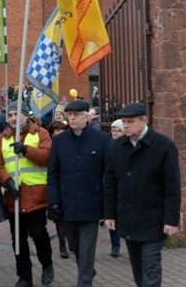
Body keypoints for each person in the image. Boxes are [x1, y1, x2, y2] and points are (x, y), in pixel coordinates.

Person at [103, 102, 181, 287]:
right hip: (129, 219)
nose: (126, 125)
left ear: (144, 120)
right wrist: (109, 214)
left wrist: (171, 219)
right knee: (138, 270)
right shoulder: (117, 146)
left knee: (151, 267)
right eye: (124, 121)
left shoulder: (163, 145)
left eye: (130, 121)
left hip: (153, 220)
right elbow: (111, 183)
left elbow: (172, 186)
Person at [47, 100, 110, 287]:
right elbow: (53, 173)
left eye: (76, 115)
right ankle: (87, 270)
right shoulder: (59, 141)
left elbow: (110, 172)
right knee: (75, 246)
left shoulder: (101, 139)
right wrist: (54, 202)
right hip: (68, 203)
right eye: (69, 115)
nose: (72, 118)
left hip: (91, 203)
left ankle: (84, 281)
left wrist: (106, 200)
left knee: (87, 248)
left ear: (86, 117)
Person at [0, 103, 54, 287]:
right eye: (10, 114)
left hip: (36, 194)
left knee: (38, 233)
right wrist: (6, 181)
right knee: (18, 239)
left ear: (26, 116)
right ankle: (25, 276)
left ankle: (47, 264)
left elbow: (48, 157)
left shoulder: (40, 133)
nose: (12, 118)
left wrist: (26, 150)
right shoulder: (2, 138)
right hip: (15, 195)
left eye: (16, 114)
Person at [47, 120, 69, 259]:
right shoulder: (49, 146)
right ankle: (62, 244)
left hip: (69, 184)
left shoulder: (70, 143)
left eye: (62, 130)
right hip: (56, 184)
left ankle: (72, 241)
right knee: (59, 218)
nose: (60, 133)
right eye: (57, 130)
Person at [106, 119, 124, 258]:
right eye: (112, 130)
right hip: (112, 184)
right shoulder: (108, 145)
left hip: (125, 185)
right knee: (113, 216)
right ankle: (115, 245)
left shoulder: (129, 146)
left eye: (117, 130)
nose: (114, 133)